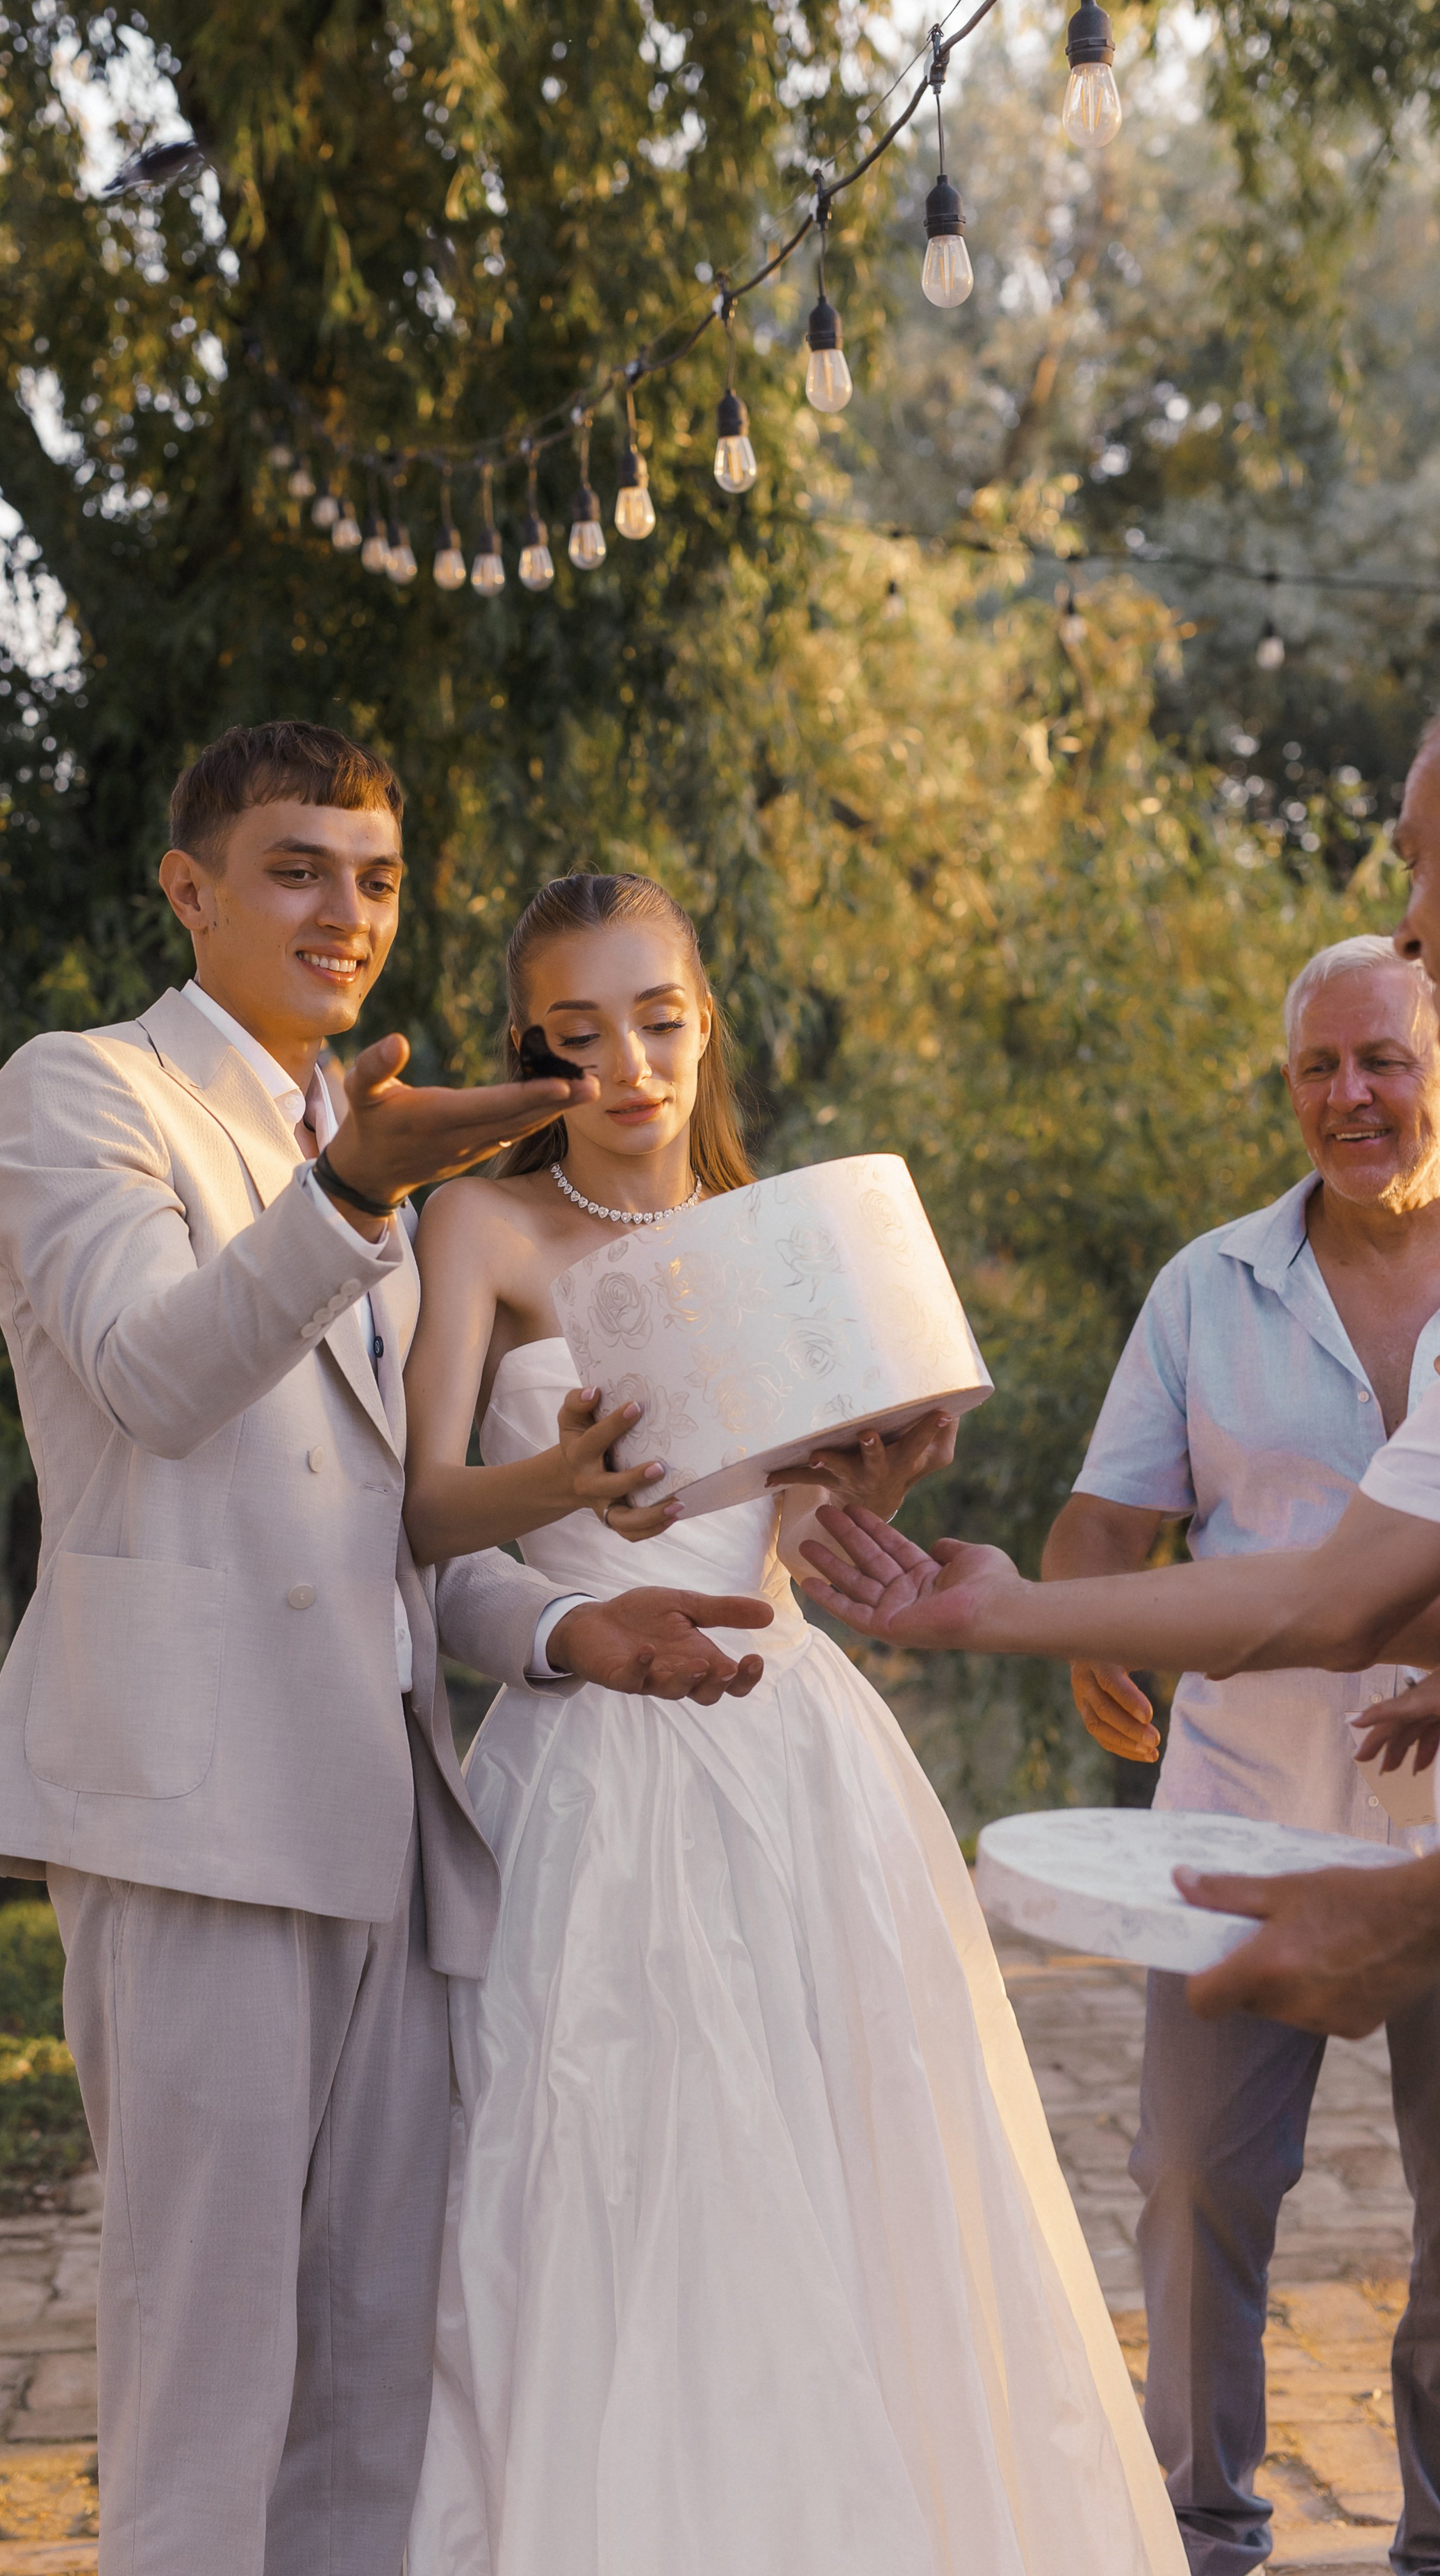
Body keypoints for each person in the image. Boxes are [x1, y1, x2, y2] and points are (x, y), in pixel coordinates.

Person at [0, 725, 775, 2576]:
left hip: (393, 1833)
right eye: (297, 866)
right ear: (192, 888)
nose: (344, 910)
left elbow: (397, 1543)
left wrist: (578, 1622)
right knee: (206, 2383)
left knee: (377, 2388)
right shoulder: (87, 1096)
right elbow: (158, 1377)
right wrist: (345, 1201)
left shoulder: (362, 1152)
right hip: (194, 1820)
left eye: (378, 876)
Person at [399, 872, 1189, 2576]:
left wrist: (878, 1463)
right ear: (532, 1045)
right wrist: (571, 1528)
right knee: (611, 2182)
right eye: (581, 1032)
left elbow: (814, 1522)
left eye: (660, 1020)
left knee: (870, 2178)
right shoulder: (480, 1227)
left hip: (794, 1749)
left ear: (705, 1019)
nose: (629, 1066)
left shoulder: (786, 1240)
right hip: (588, 1758)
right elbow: (422, 1523)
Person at [795, 649, 1440, 2147]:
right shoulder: (1220, 1284)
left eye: (1410, 857)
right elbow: (1322, 1598)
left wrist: (1428, 1896)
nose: (1404, 913)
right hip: (1268, 1818)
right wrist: (993, 1611)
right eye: (1313, 1067)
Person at [1043, 933, 1440, 2576]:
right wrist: (1092, 1621)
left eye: (1379, 1060)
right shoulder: (1204, 1288)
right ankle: (1203, 2533)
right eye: (1315, 1067)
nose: (1346, 1095)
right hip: (1237, 1815)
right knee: (1190, 2182)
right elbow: (1103, 1521)